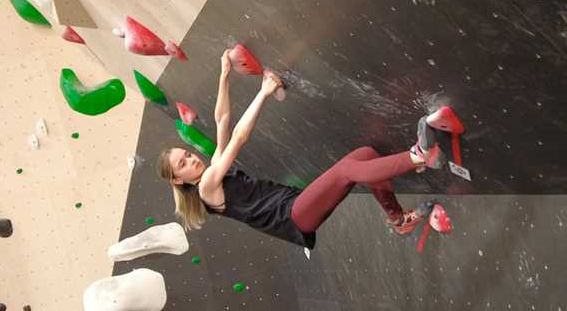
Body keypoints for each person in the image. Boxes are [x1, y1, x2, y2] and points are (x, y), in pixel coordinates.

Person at [157, 51, 445, 249]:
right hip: (293, 216)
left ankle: (398, 220)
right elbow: (238, 139)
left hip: (294, 204)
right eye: (183, 164)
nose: (191, 159)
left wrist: (223, 76)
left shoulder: (212, 170)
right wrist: (263, 92)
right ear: (178, 180)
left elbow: (222, 120)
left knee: (365, 155)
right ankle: (418, 156)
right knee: (347, 170)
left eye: (187, 154)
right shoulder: (206, 187)